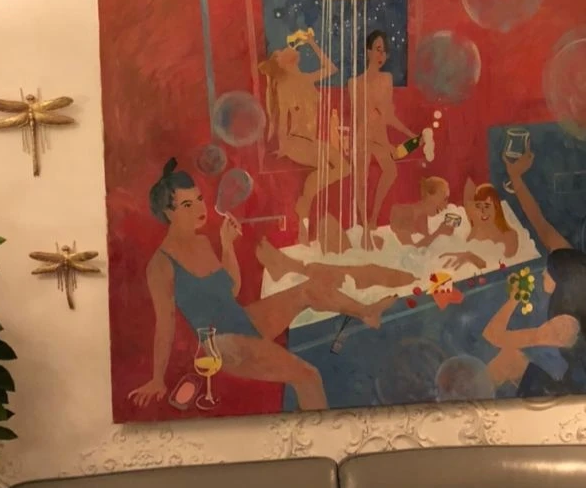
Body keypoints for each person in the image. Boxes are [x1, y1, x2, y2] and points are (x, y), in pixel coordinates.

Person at [128, 160, 396, 411]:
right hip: (221, 344)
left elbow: (231, 289)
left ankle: (366, 311)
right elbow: (165, 324)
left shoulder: (202, 242)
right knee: (308, 376)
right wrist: (157, 379)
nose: (200, 209)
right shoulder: (161, 264)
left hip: (240, 319)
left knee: (308, 289)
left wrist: (227, 245)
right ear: (168, 213)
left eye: (199, 199)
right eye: (187, 205)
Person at [480, 148, 586, 394]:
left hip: (585, 389)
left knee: (507, 359)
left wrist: (513, 298)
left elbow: (493, 335)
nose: (542, 274)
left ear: (560, 280)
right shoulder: (580, 270)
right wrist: (515, 177)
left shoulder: (564, 326)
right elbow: (542, 226)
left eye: (547, 272)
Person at [259, 31, 348, 244]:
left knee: (345, 167)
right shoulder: (285, 86)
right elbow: (282, 119)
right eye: (279, 53)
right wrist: (282, 145)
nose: (285, 50)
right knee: (327, 166)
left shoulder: (306, 79)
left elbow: (332, 69)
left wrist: (313, 43)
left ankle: (305, 201)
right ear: (281, 64)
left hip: (311, 141)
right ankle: (303, 219)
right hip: (295, 141)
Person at [348, 30, 417, 240]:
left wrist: (410, 133)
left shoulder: (387, 80)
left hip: (379, 138)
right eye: (378, 49)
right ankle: (363, 222)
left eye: (385, 51)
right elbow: (360, 119)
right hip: (363, 138)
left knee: (391, 171)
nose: (381, 55)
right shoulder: (354, 83)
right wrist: (379, 143)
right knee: (361, 181)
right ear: (368, 51)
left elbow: (387, 116)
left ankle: (374, 217)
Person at [389, 176, 456, 248]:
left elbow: (425, 246)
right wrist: (438, 232)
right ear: (430, 195)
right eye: (444, 199)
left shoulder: (422, 217)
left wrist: (443, 233)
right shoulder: (403, 213)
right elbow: (409, 250)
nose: (446, 206)